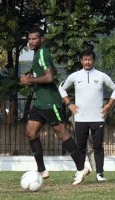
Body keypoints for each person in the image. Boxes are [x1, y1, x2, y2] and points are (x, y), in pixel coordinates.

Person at [20, 27, 89, 185]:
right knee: (31, 132)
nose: (31, 42)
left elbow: (50, 77)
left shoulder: (43, 53)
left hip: (51, 102)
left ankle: (81, 167)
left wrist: (29, 80)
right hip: (40, 103)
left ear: (42, 39)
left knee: (62, 134)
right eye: (29, 39)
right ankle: (41, 170)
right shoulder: (38, 54)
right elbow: (51, 73)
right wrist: (34, 77)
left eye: (34, 39)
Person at [59, 49, 115, 182]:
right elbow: (61, 88)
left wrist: (109, 105)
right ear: (81, 61)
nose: (87, 62)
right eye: (85, 59)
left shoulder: (101, 76)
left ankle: (100, 174)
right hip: (80, 117)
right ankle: (80, 172)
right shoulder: (75, 76)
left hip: (97, 117)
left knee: (97, 146)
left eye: (90, 59)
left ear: (94, 60)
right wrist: (69, 104)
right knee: (80, 147)